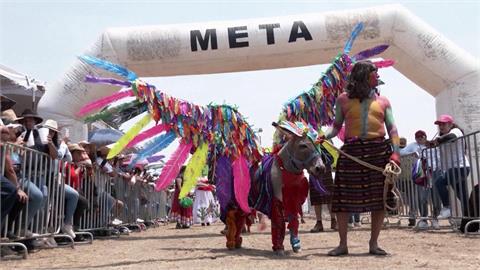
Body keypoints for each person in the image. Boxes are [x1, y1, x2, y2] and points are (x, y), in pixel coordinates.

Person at [324, 61, 400, 256]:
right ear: (364, 75)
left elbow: (392, 129)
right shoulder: (343, 100)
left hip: (379, 152)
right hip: (352, 154)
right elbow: (336, 127)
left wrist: (395, 153)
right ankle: (343, 244)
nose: (377, 77)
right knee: (342, 200)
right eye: (374, 73)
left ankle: (373, 243)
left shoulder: (384, 101)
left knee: (380, 199)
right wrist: (324, 136)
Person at [432, 115, 470, 220]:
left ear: (451, 124)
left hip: (460, 168)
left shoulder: (456, 131)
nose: (441, 126)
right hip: (453, 169)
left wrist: (438, 140)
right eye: (439, 124)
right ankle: (469, 219)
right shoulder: (442, 136)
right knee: (462, 197)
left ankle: (447, 208)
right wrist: (430, 143)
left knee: (439, 182)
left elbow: (451, 138)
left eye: (443, 124)